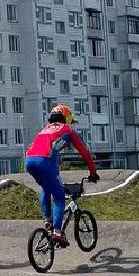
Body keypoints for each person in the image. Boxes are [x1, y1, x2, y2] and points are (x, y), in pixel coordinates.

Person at [25, 104, 99, 247]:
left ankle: (47, 221)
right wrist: (93, 172)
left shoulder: (44, 130)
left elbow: (40, 150)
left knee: (46, 187)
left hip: (29, 160)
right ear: (66, 118)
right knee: (59, 197)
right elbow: (84, 153)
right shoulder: (68, 130)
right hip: (44, 160)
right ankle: (57, 232)